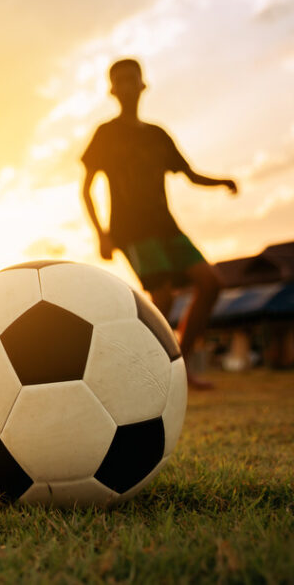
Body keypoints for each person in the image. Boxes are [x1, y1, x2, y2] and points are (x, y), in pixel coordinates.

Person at [81, 58, 238, 390]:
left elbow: (191, 174)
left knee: (211, 283)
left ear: (143, 85)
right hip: (131, 230)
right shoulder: (106, 134)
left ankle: (179, 365)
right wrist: (102, 234)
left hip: (167, 226)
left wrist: (222, 181)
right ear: (112, 90)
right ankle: (138, 373)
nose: (126, 86)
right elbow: (86, 188)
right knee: (162, 298)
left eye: (131, 79)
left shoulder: (157, 135)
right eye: (119, 81)